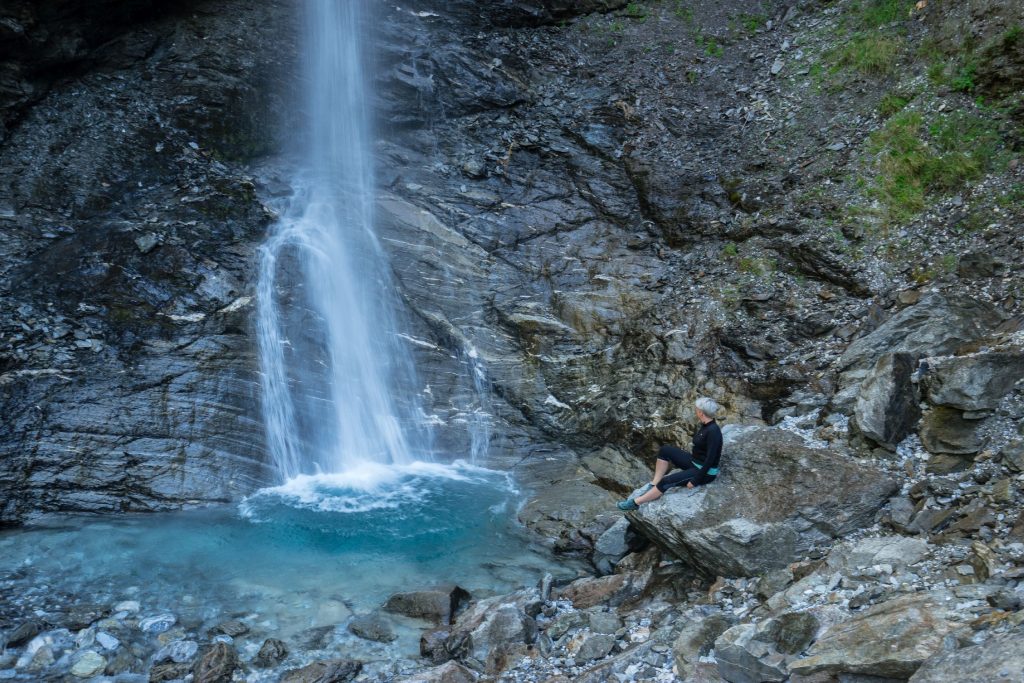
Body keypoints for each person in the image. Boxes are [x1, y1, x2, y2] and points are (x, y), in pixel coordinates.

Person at [617, 397, 723, 511]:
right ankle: (654, 484)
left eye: (696, 409)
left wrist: (695, 480)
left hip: (705, 472)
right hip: (694, 462)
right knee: (665, 450)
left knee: (666, 481)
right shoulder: (705, 425)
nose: (695, 410)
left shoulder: (713, 431)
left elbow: (710, 459)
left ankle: (635, 503)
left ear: (701, 413)